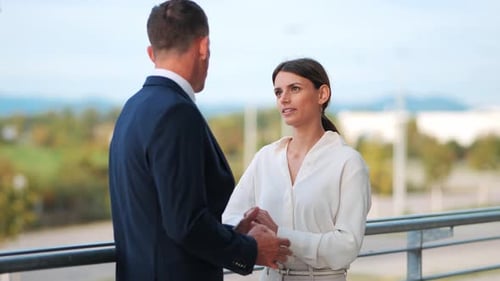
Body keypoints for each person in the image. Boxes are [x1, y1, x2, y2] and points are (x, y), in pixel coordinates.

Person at [108, 1, 291, 281]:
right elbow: (185, 224)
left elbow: (159, 217)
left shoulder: (132, 109)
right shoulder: (176, 112)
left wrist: (230, 233)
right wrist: (250, 249)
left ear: (150, 53)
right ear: (203, 46)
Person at [223, 58, 372, 281]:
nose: (284, 98)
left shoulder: (348, 162)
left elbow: (346, 247)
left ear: (322, 94)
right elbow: (230, 217)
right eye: (278, 92)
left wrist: (280, 235)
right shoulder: (265, 158)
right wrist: (247, 230)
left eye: (295, 89)